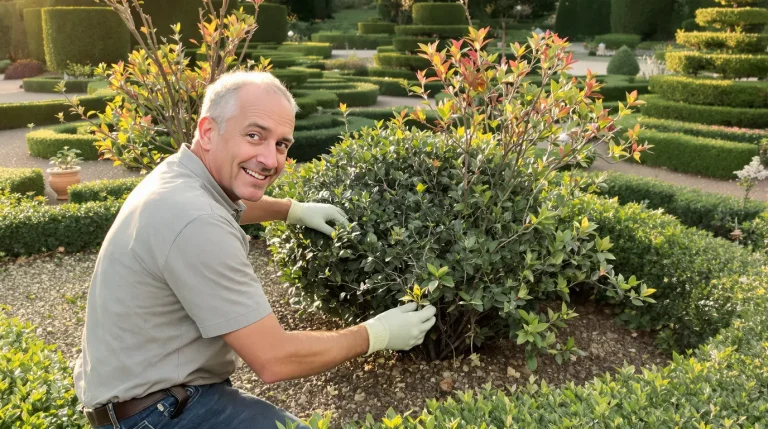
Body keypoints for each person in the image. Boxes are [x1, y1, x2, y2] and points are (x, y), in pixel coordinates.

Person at [73, 70, 437, 429]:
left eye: (281, 144)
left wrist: (291, 210)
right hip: (155, 415)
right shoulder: (196, 221)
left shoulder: (179, 179)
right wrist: (377, 334)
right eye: (254, 136)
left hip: (137, 399)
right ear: (208, 131)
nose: (269, 159)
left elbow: (221, 203)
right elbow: (274, 359)